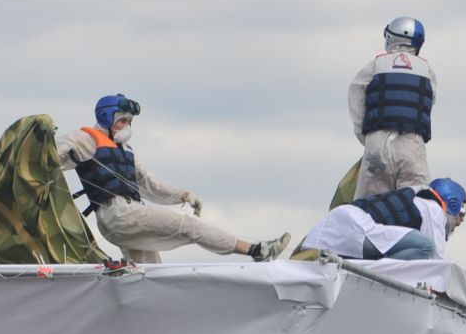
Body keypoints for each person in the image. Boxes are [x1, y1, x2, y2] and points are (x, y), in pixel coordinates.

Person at [53, 94, 289, 264]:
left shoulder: (125, 150)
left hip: (125, 219)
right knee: (190, 226)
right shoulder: (86, 138)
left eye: (130, 122)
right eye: (123, 120)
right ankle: (257, 250)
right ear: (106, 117)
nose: (127, 126)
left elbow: (150, 184)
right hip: (118, 215)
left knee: (150, 273)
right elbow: (52, 153)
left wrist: (183, 195)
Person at [350, 16, 436, 198]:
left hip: (377, 143)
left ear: (391, 38)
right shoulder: (428, 71)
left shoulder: (376, 65)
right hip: (413, 145)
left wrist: (365, 136)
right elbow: (429, 102)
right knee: (418, 204)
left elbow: (356, 93)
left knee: (367, 208)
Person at [298, 178, 466, 261]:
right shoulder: (434, 209)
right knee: (427, 246)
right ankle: (379, 274)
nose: (460, 222)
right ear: (452, 202)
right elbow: (436, 261)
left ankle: (373, 270)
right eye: (461, 215)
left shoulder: (419, 202)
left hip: (335, 227)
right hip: (358, 229)